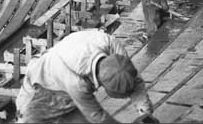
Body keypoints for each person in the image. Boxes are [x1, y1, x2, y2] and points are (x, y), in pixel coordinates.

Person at [16, 29, 153, 123]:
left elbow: (136, 83)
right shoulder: (76, 83)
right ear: (102, 83)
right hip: (41, 91)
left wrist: (146, 115)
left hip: (66, 84)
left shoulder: (112, 46)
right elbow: (97, 117)